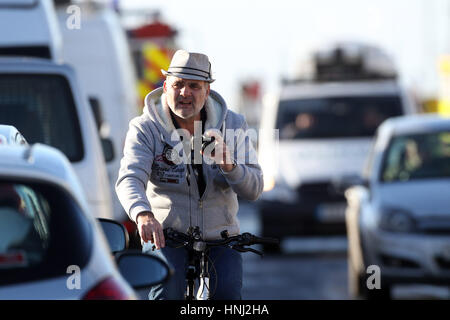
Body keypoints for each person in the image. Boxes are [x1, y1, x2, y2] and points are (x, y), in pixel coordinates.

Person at [115, 50, 263, 300]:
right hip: (166, 234)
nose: (185, 93)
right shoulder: (145, 128)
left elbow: (254, 188)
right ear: (165, 86)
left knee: (226, 294)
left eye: (194, 86)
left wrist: (228, 163)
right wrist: (143, 214)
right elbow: (129, 177)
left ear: (207, 92)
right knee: (166, 292)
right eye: (178, 85)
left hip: (221, 236)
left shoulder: (233, 125)